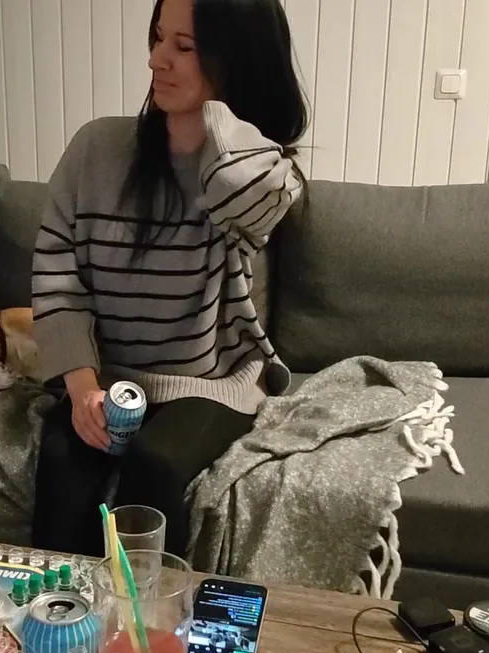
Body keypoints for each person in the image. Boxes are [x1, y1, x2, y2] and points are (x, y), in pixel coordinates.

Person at [31, 0, 307, 557]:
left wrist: (216, 119)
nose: (157, 59)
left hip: (212, 383)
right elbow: (57, 272)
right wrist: (81, 388)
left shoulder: (263, 174)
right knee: (62, 464)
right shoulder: (94, 148)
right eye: (158, 38)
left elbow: (247, 194)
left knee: (153, 464)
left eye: (184, 46)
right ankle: (58, 610)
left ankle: (156, 610)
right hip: (109, 377)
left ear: (236, 58)